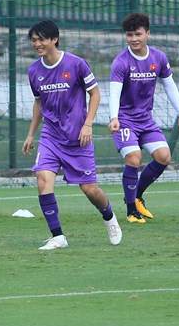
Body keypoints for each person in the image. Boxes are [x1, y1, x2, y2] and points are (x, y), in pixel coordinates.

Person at [22, 20, 122, 250]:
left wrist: (88, 125)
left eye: (42, 39)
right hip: (51, 136)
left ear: (54, 39)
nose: (37, 44)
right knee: (43, 179)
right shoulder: (34, 70)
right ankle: (58, 236)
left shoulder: (76, 64)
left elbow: (95, 94)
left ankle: (109, 217)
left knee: (90, 189)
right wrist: (30, 135)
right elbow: (39, 102)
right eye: (34, 40)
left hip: (78, 138)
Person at [108, 12, 179, 223]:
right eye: (129, 35)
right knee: (134, 158)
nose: (134, 39)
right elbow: (114, 91)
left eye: (138, 34)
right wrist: (114, 117)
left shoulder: (158, 58)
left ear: (147, 34)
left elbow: (170, 86)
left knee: (164, 156)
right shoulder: (121, 62)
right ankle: (130, 211)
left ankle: (137, 197)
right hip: (125, 120)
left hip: (146, 120)